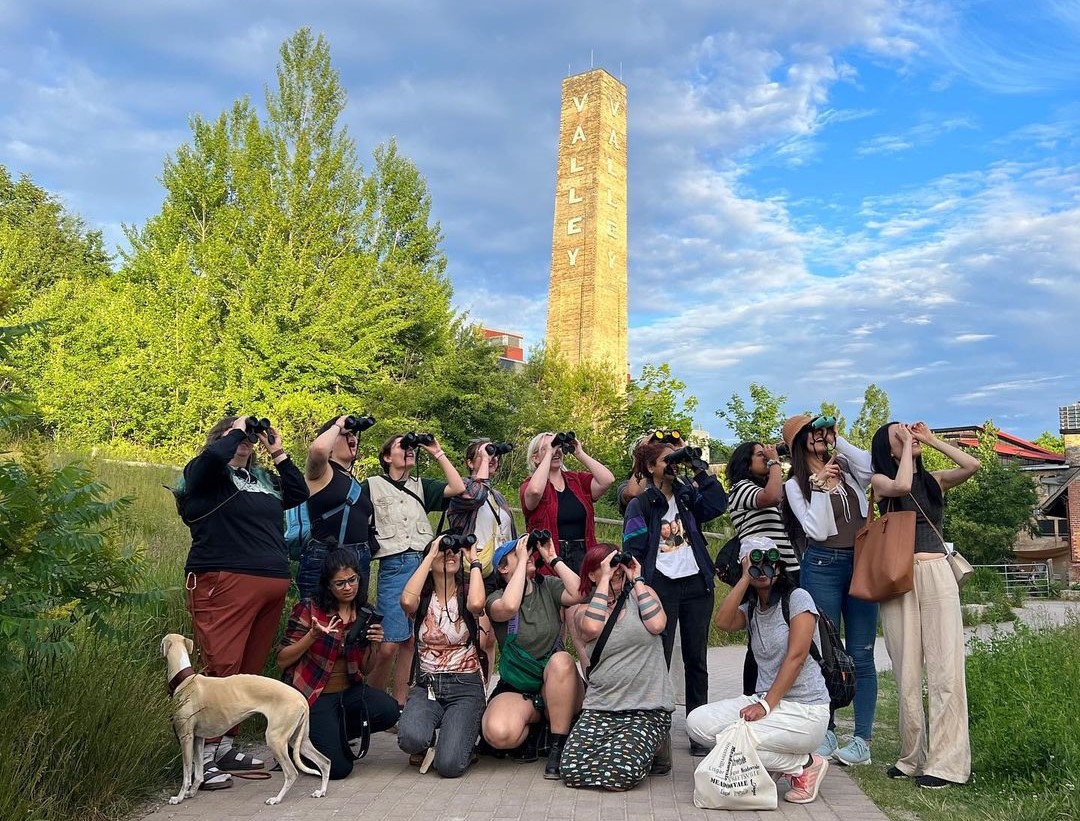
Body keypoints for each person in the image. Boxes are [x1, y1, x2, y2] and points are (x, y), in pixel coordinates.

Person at [176, 415, 308, 789]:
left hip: (269, 581)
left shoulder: (261, 480)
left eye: (249, 437)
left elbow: (298, 494)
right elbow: (208, 461)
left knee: (246, 673)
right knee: (221, 666)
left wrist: (277, 451)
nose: (247, 442)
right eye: (239, 436)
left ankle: (225, 747)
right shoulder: (204, 476)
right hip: (224, 579)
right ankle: (201, 758)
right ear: (220, 439)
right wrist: (234, 432)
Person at [870, 421, 980, 789]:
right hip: (898, 579)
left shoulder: (934, 480)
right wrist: (904, 447)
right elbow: (900, 486)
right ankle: (911, 758)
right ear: (888, 450)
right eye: (898, 436)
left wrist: (930, 440)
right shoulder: (880, 481)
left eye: (908, 432)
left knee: (945, 668)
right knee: (906, 672)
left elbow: (972, 465)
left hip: (935, 573)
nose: (908, 436)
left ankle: (947, 764)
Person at [686, 536, 832, 805]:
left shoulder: (798, 598)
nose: (763, 567)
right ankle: (790, 763)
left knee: (737, 740)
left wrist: (765, 706)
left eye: (769, 560)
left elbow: (796, 658)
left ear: (779, 566)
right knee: (697, 723)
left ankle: (805, 765)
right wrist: (744, 578)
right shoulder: (752, 607)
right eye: (755, 560)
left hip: (806, 711)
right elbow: (722, 622)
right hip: (767, 701)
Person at [622, 437, 728, 756]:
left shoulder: (686, 494)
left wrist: (700, 471)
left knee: (697, 659)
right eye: (666, 460)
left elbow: (716, 505)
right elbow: (633, 550)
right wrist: (641, 588)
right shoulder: (641, 503)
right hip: (661, 585)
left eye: (675, 459)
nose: (673, 464)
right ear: (652, 467)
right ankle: (656, 731)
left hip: (696, 585)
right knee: (660, 659)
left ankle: (699, 731)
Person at [782, 413, 877, 767]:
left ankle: (862, 741)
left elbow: (870, 467)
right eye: (814, 433)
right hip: (822, 565)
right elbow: (817, 531)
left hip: (862, 562)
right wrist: (820, 488)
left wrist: (841, 442)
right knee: (826, 653)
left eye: (825, 431)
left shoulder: (848, 469)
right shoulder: (796, 485)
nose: (821, 437)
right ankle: (827, 730)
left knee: (862, 653)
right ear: (800, 441)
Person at [277, 548, 401, 779]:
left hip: (348, 691)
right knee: (339, 770)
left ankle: (332, 735)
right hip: (313, 693)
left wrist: (375, 645)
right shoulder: (310, 608)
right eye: (340, 583)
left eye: (352, 580)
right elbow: (282, 659)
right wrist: (311, 636)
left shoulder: (364, 612)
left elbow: (365, 669)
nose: (348, 587)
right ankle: (299, 742)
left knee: (389, 710)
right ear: (328, 586)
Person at [364, 433, 466, 709]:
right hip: (394, 564)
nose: (409, 450)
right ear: (387, 457)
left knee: (411, 640)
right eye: (402, 446)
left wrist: (436, 451)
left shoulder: (421, 485)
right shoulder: (372, 485)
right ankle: (370, 706)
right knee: (388, 644)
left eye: (411, 447)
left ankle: (399, 704)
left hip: (423, 564)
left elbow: (457, 488)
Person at [560, 544, 672, 791]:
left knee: (619, 774)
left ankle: (652, 746)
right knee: (571, 770)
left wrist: (637, 578)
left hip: (646, 707)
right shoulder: (581, 611)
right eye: (606, 566)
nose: (615, 570)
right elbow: (591, 629)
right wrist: (604, 580)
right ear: (591, 574)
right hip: (602, 707)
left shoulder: (643, 596)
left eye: (617, 564)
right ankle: (642, 749)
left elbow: (657, 624)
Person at [481, 534, 585, 779]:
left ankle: (558, 747)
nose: (526, 553)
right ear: (503, 569)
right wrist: (523, 557)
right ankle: (537, 727)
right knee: (498, 733)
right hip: (520, 687)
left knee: (561, 661)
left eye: (526, 550)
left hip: (561, 684)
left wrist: (552, 557)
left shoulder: (547, 586)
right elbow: (508, 607)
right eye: (515, 553)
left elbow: (579, 593)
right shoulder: (495, 599)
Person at [397, 535, 489, 778]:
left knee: (448, 766)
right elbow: (406, 601)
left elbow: (478, 604)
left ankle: (459, 740)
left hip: (465, 685)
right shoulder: (423, 598)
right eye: (444, 551)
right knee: (410, 739)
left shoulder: (467, 591)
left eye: (454, 551)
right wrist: (430, 553)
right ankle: (438, 737)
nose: (451, 554)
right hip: (427, 684)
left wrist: (474, 560)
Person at [298, 416, 379, 600]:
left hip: (357, 560)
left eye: (354, 434)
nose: (353, 437)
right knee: (316, 618)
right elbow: (318, 449)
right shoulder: (320, 472)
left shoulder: (351, 479)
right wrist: (338, 425)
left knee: (352, 620)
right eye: (346, 434)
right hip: (325, 557)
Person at [520, 431, 615, 574]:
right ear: (535, 458)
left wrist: (579, 453)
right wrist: (548, 455)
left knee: (585, 596)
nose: (555, 451)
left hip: (583, 558)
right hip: (548, 562)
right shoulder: (528, 486)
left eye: (558, 447)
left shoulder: (576, 480)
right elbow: (535, 491)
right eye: (547, 448)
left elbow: (607, 480)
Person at [726, 441, 799, 579]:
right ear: (746, 463)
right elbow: (773, 497)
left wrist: (793, 454)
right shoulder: (740, 488)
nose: (766, 457)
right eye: (760, 455)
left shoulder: (764, 488)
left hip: (788, 567)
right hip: (764, 571)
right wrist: (774, 462)